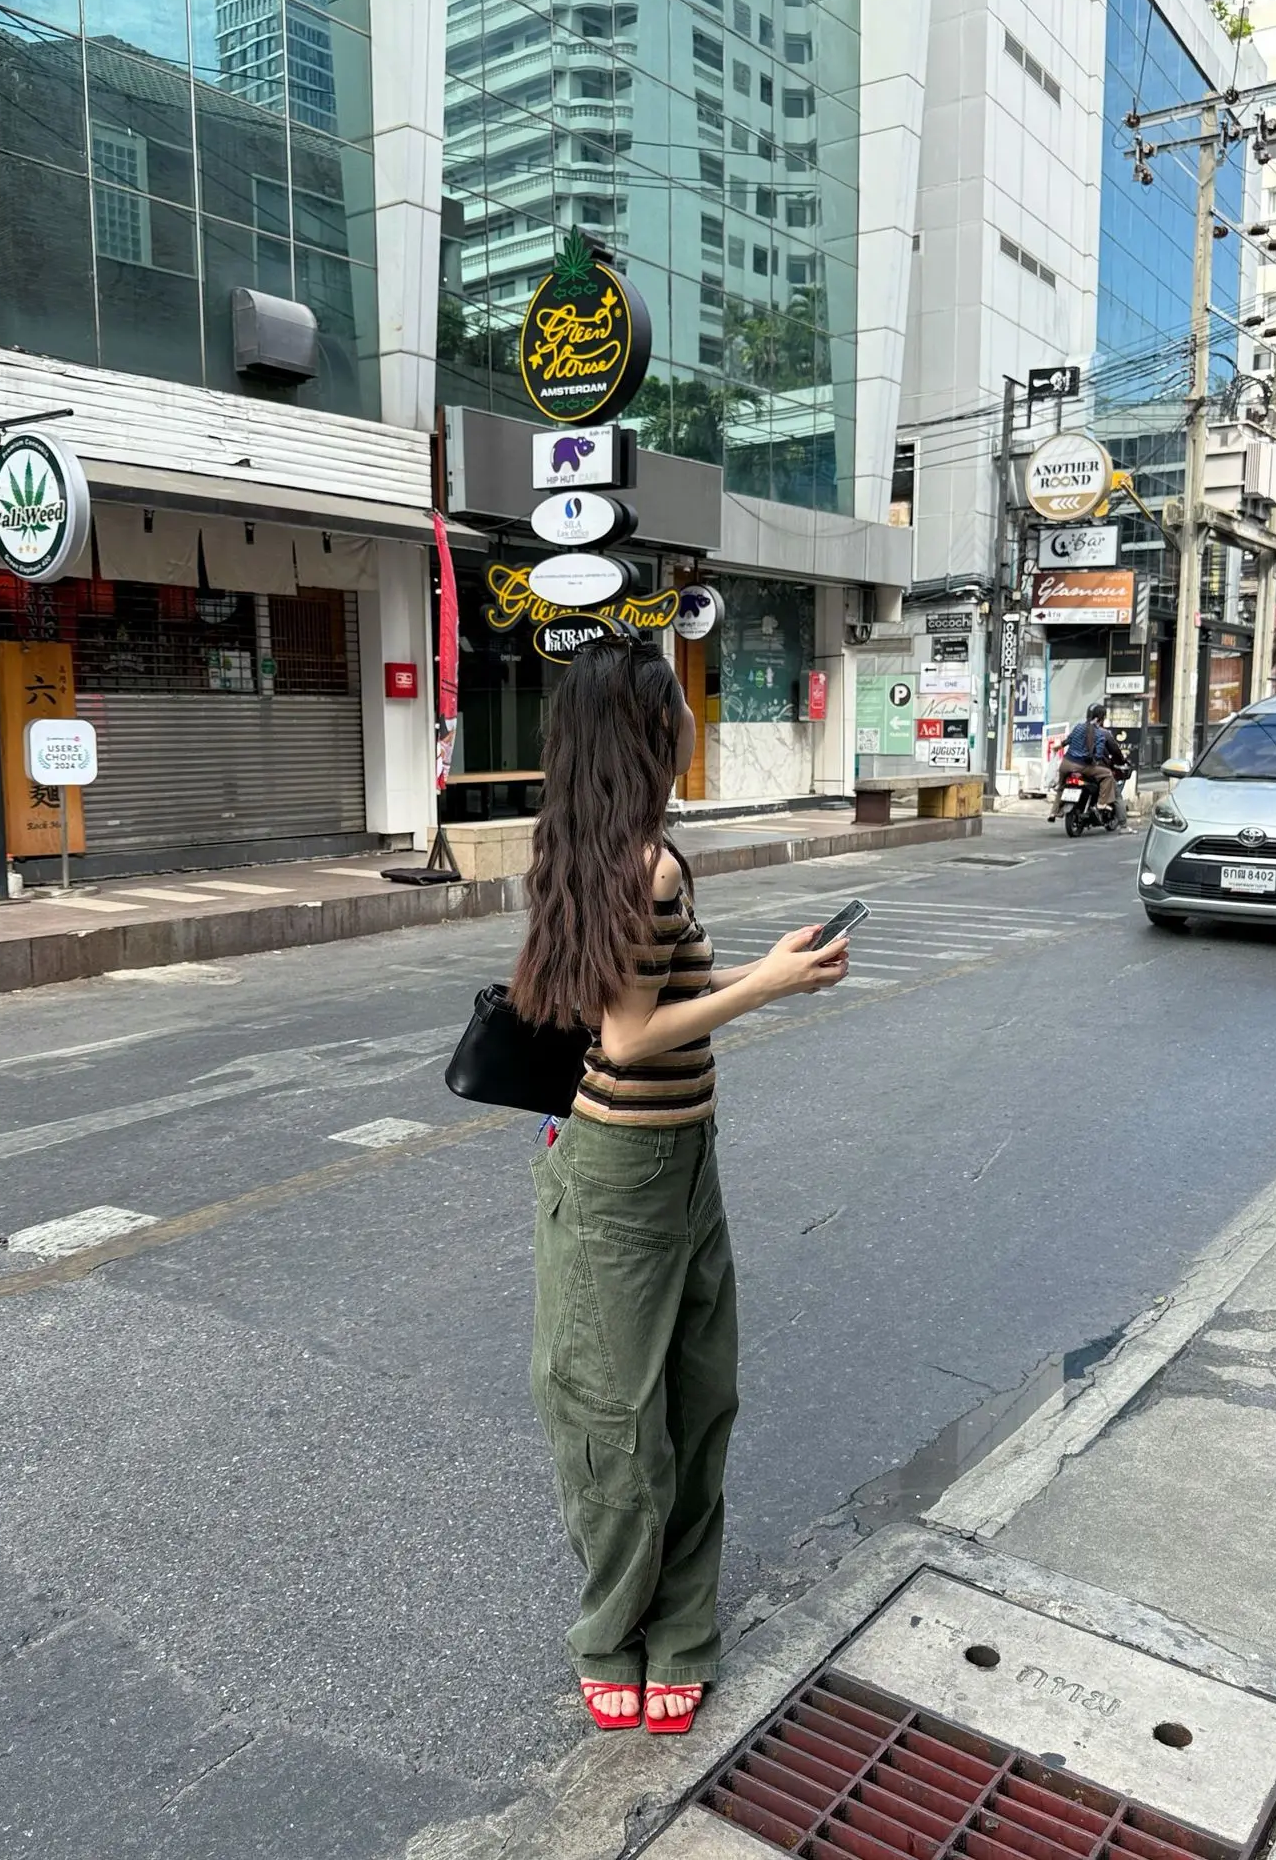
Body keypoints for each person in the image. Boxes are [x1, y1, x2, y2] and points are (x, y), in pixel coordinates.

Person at [510, 633, 850, 1737]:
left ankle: (684, 1630)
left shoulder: (600, 846)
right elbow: (630, 1036)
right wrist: (770, 984)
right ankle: (613, 1633)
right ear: (646, 733)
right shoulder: (643, 864)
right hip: (624, 1169)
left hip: (680, 1159)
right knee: (620, 1420)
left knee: (700, 1401)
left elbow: (644, 995)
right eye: (674, 704)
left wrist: (767, 965)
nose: (690, 718)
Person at [1047, 701, 1117, 821]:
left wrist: (1057, 747)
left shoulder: (1078, 727)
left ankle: (1053, 812)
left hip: (1066, 764)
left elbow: (1067, 741)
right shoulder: (1099, 734)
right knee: (1108, 775)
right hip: (1083, 767)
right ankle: (1101, 803)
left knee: (1061, 787)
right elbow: (1098, 756)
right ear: (1100, 718)